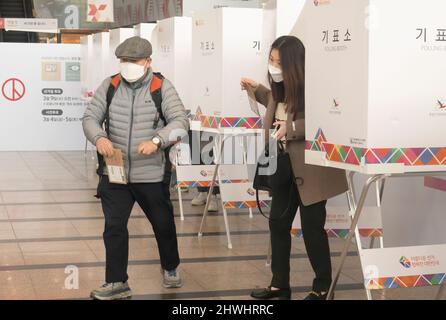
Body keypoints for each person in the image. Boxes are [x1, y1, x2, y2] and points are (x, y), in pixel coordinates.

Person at [241, 36, 348, 300]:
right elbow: (277, 109)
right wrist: (257, 88)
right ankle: (279, 284)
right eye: (271, 60)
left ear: (295, 64)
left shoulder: (315, 87)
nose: (274, 66)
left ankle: (322, 287)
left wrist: (294, 129)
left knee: (312, 229)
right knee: (277, 224)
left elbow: (328, 119)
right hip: (284, 168)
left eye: (279, 62)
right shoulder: (280, 88)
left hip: (311, 172)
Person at [83, 36, 189, 300]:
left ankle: (170, 266)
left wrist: (157, 140)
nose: (128, 65)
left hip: (150, 173)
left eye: (134, 61)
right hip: (115, 172)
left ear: (148, 61)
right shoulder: (110, 85)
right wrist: (100, 137)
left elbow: (180, 122)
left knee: (162, 224)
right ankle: (117, 281)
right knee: (114, 226)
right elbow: (90, 118)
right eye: (124, 61)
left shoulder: (160, 86)